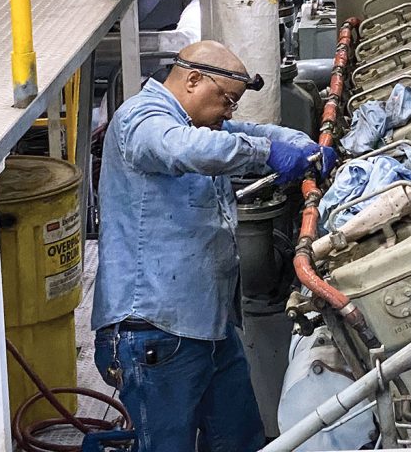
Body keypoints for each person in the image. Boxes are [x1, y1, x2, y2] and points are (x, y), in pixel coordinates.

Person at [92, 40, 336, 452]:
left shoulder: (194, 123)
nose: (229, 112)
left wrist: (298, 144)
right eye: (227, 100)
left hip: (209, 326)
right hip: (155, 330)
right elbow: (185, 150)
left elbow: (247, 132)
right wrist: (268, 154)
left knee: (240, 438)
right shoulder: (142, 120)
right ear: (192, 80)